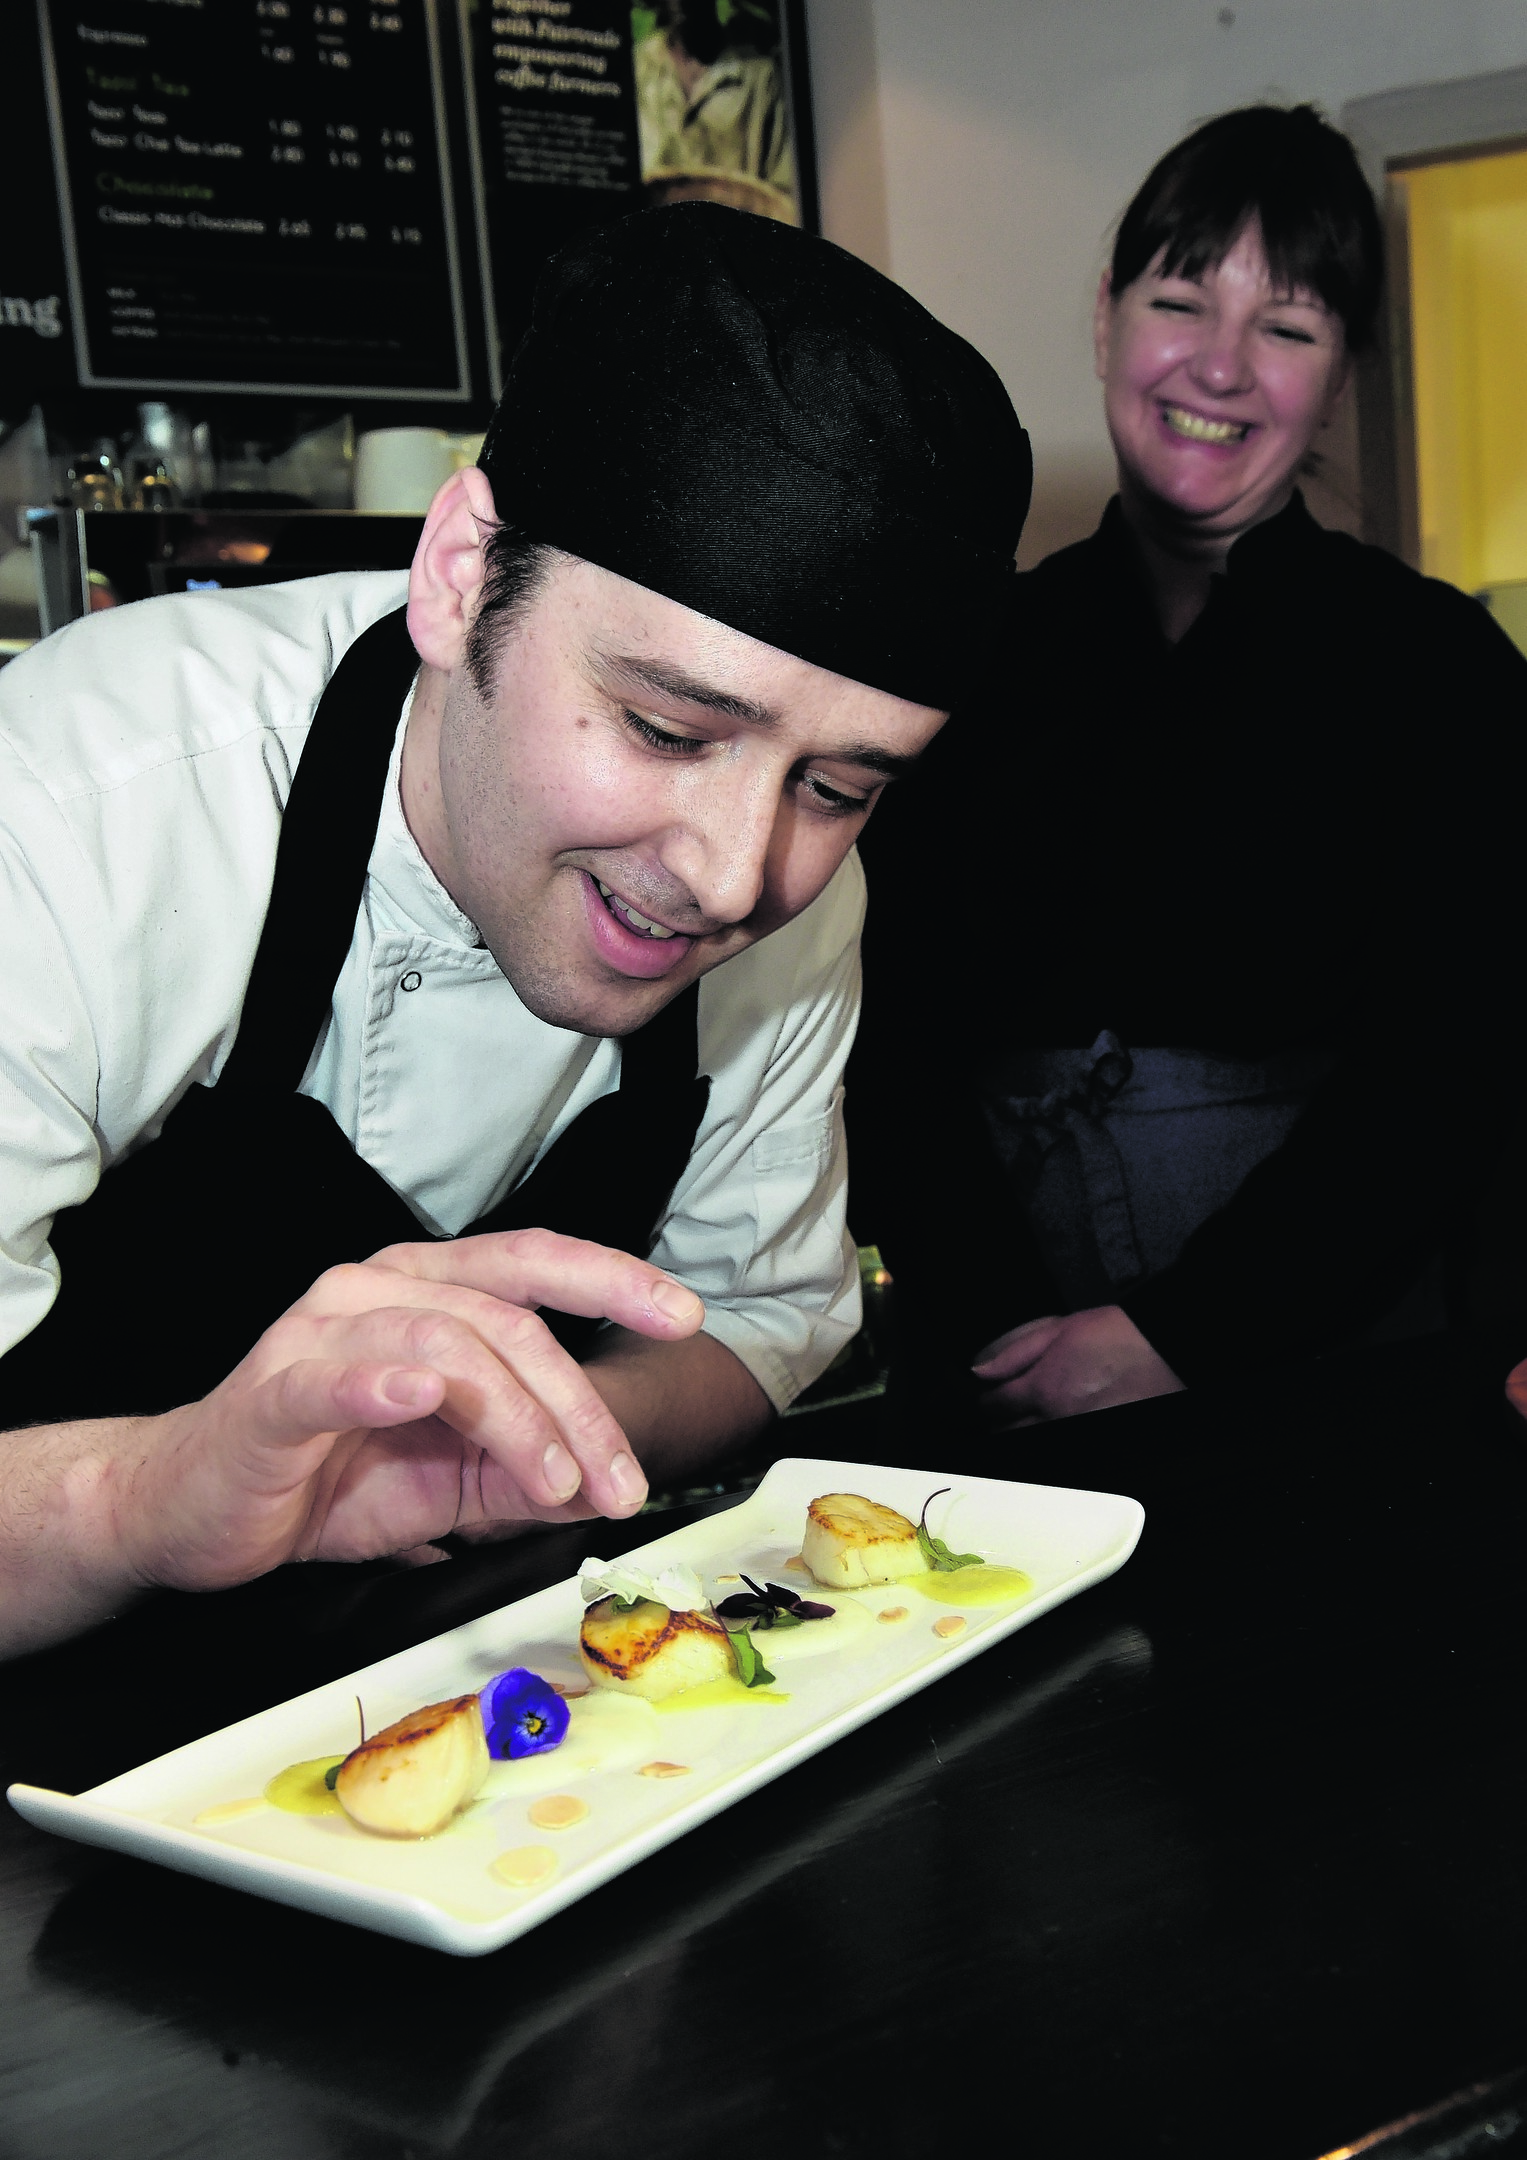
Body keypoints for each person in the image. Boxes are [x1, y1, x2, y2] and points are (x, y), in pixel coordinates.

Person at [0, 203, 1031, 1654]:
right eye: (668, 728)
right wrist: (148, 1499)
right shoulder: (72, 805)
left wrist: (524, 1446)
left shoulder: (801, 896)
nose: (738, 878)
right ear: (461, 575)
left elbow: (762, 1319)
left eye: (840, 785)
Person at [851, 103, 1527, 1429]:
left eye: (1284, 327)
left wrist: (1182, 1334)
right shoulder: (974, 648)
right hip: (991, 1359)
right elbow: (883, 1027)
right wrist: (1006, 1335)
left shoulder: (1438, 667)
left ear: (1339, 374)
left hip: (1327, 1352)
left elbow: (1449, 1066)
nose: (1217, 368)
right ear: (1106, 316)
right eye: (1179, 301)